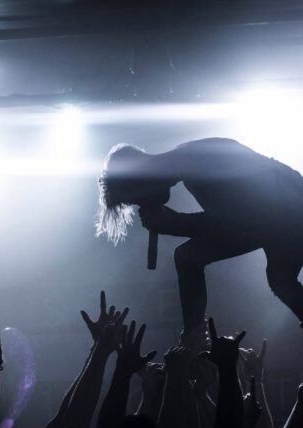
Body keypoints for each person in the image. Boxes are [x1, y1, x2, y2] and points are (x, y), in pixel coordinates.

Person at [97, 138, 303, 346]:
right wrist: (177, 223)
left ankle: (193, 343)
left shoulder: (194, 163)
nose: (143, 205)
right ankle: (194, 341)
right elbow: (239, 221)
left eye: (137, 199)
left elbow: (242, 223)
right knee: (281, 281)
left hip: (284, 215)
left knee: (189, 258)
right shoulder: (189, 160)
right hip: (282, 215)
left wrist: (177, 224)